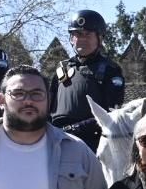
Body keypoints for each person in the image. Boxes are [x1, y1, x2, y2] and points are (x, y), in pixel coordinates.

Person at [49, 10, 126, 149]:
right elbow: (47, 107)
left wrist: (72, 129)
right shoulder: (62, 68)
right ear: (71, 38)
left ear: (99, 38)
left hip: (91, 143)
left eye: (88, 34)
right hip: (56, 139)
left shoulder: (110, 70)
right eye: (78, 34)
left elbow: (110, 114)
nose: (82, 39)